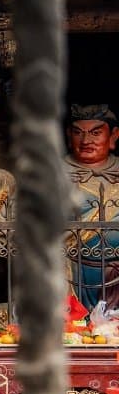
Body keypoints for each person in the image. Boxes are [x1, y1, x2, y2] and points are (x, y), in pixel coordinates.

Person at [63, 104, 119, 308]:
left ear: (113, 136)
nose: (86, 141)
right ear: (69, 136)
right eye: (78, 133)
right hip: (70, 266)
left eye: (96, 133)